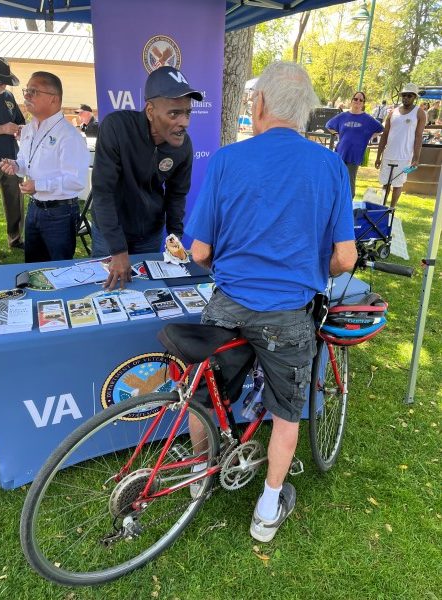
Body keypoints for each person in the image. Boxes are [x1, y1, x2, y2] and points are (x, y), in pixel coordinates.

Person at [186, 61, 357, 543]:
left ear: (259, 105)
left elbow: (199, 252)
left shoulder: (225, 160)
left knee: (204, 396)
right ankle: (266, 510)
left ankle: (199, 477)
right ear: (306, 114)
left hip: (229, 303)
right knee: (287, 412)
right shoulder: (329, 167)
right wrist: (310, 265)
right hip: (288, 314)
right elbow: (345, 258)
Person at [91, 66, 203, 290]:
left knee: (146, 293)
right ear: (150, 111)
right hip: (111, 231)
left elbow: (177, 195)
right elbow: (103, 192)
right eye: (174, 113)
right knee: (106, 293)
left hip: (148, 235)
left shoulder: (184, 146)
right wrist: (118, 249)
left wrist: (174, 238)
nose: (185, 122)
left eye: (187, 113)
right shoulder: (117, 128)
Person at [0, 71, 90, 263]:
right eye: (27, 90)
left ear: (53, 99)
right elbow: (26, 163)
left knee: (59, 269)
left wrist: (39, 185)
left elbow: (76, 181)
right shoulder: (30, 128)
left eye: (34, 91)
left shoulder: (69, 136)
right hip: (35, 209)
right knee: (33, 267)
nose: (26, 96)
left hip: (59, 214)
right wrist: (15, 166)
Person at [0, 56, 26, 250]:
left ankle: (15, 239)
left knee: (15, 202)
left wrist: (20, 129)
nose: (3, 85)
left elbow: (19, 120)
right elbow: (5, 126)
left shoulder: (8, 97)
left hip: (12, 159)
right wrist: (2, 128)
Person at [375, 83, 426, 208]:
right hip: (388, 154)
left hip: (404, 156)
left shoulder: (419, 113)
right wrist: (378, 156)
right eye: (404, 95)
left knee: (397, 184)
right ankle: (381, 209)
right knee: (385, 184)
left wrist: (416, 158)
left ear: (414, 97)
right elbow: (385, 135)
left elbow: (419, 137)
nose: (406, 98)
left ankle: (391, 210)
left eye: (409, 96)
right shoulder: (392, 112)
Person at [326, 91, 383, 198]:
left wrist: (369, 137)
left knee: (350, 181)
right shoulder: (342, 116)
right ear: (352, 101)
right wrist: (337, 134)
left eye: (361, 100)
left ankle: (348, 208)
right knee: (337, 179)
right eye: (356, 99)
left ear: (363, 103)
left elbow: (380, 129)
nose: (358, 101)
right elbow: (328, 125)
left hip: (355, 154)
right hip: (341, 152)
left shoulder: (368, 119)